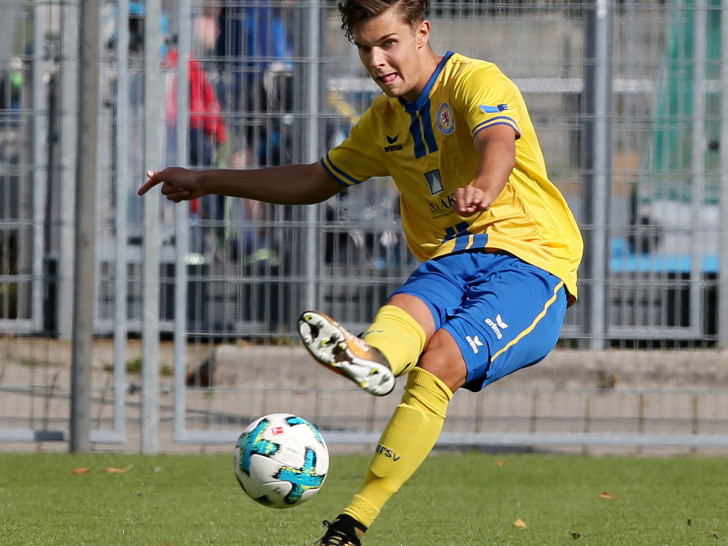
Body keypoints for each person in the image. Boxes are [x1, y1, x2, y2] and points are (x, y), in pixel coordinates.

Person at [138, 1, 584, 544]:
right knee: (401, 314)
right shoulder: (383, 121)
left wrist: (485, 187)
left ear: (422, 33)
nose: (376, 60)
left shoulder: (473, 80)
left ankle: (353, 520)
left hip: (529, 261)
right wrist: (208, 180)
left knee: (439, 360)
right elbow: (314, 181)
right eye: (364, 48)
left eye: (388, 43)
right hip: (449, 257)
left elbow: (498, 142)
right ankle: (372, 360)